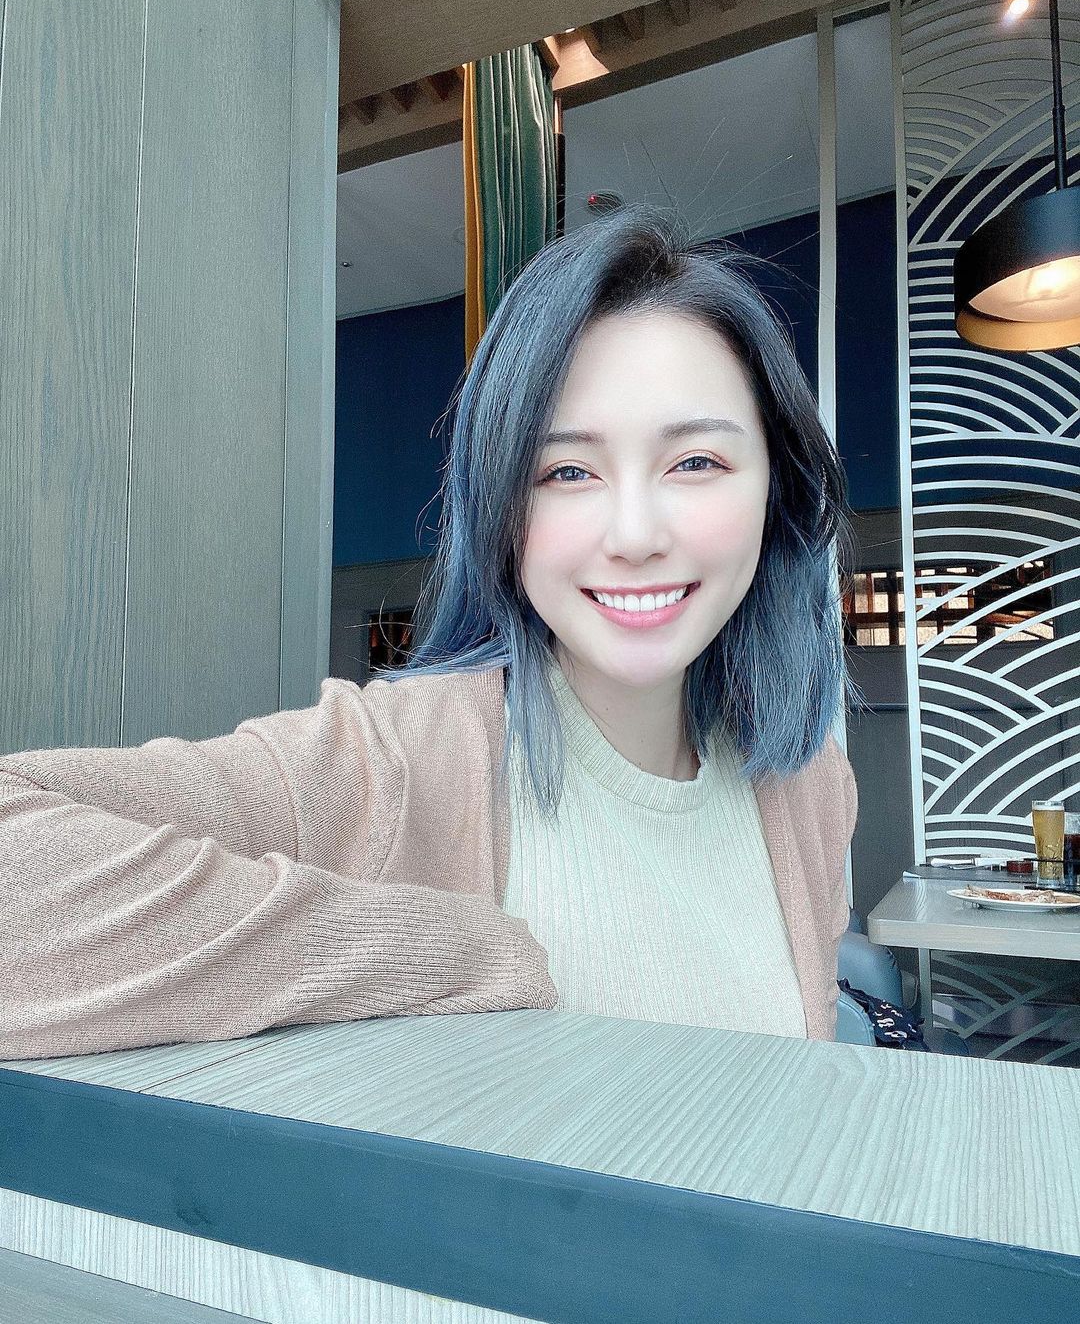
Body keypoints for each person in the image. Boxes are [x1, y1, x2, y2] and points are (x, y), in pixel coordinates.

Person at [0, 206, 857, 1061]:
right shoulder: (392, 766)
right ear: (502, 513)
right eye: (566, 471)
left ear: (775, 489)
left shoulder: (810, 787)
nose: (634, 535)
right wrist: (448, 956)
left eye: (695, 462)